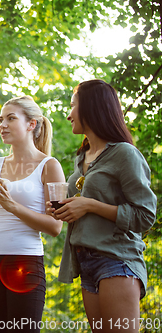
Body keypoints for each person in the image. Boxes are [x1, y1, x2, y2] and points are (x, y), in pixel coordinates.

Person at [49, 79, 157, 333]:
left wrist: (90, 205)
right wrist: (63, 209)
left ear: (91, 108)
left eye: (73, 106)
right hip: (85, 261)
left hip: (116, 260)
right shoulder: (81, 158)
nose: (68, 114)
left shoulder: (124, 154)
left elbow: (145, 216)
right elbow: (81, 206)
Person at [0, 96, 65, 333]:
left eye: (11, 118)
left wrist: (12, 206)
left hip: (25, 262)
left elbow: (55, 227)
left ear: (32, 124)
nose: (2, 125)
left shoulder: (49, 166)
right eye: (1, 120)